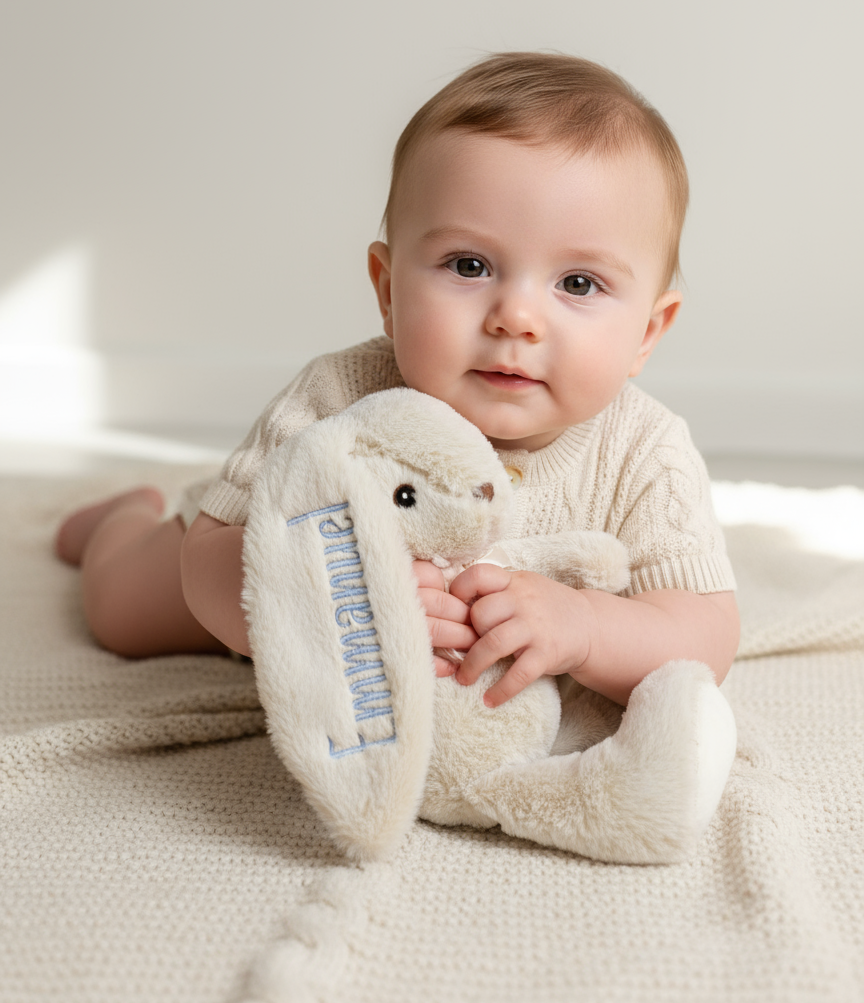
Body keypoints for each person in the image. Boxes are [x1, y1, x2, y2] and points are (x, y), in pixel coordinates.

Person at [56, 52, 739, 709]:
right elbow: (209, 562)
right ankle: (124, 517)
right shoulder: (340, 396)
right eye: (469, 266)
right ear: (388, 290)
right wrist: (337, 594)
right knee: (121, 613)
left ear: (648, 332)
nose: (516, 318)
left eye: (578, 283)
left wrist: (586, 627)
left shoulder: (645, 452)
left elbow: (702, 636)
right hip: (258, 601)